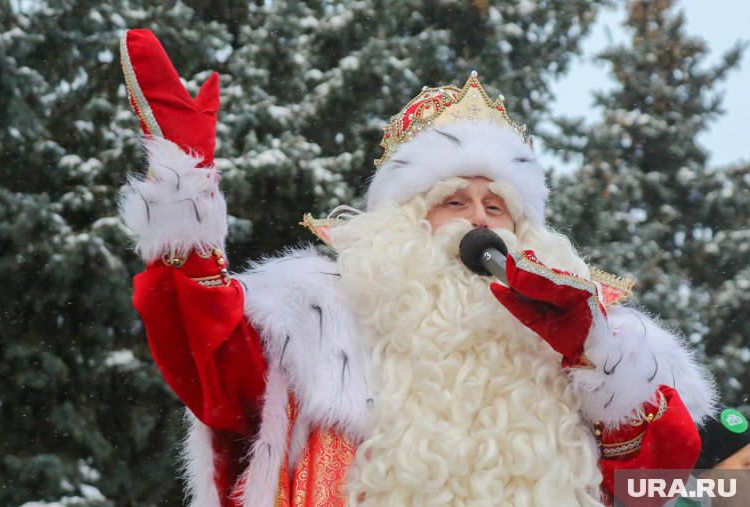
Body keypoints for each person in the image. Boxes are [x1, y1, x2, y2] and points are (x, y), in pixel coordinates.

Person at [118, 29, 717, 507]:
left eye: (496, 206)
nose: (477, 220)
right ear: (401, 221)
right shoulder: (315, 318)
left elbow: (659, 487)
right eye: (452, 201)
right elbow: (205, 355)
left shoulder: (605, 344)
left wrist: (593, 354)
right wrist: (183, 191)